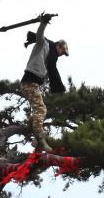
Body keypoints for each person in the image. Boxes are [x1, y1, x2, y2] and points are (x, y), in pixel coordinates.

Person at [20, 13, 69, 150]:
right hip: (29, 81)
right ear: (59, 45)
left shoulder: (51, 61)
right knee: (41, 109)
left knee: (38, 111)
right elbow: (39, 34)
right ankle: (39, 139)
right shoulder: (44, 44)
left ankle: (31, 127)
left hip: (33, 84)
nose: (61, 55)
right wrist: (44, 22)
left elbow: (47, 76)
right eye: (62, 51)